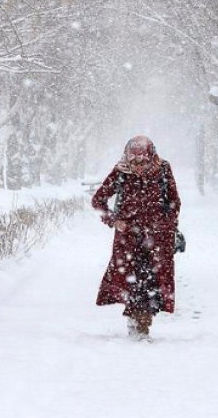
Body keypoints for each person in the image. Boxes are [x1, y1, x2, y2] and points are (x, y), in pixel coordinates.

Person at [92, 135, 181, 340]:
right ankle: (138, 325)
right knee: (133, 282)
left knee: (153, 282)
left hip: (157, 239)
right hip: (128, 240)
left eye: (142, 161)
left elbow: (174, 202)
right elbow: (98, 200)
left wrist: (167, 226)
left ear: (151, 157)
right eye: (134, 162)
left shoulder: (163, 170)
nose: (138, 166)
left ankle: (142, 322)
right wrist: (114, 220)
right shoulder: (121, 172)